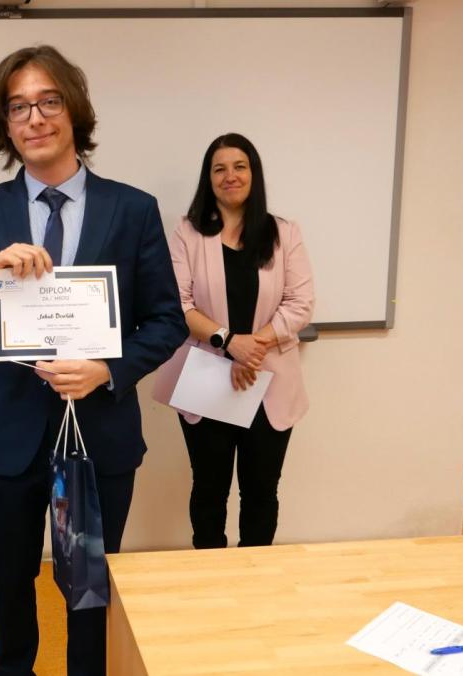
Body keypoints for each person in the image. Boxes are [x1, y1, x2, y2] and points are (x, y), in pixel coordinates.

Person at [0, 45, 186, 676]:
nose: (35, 118)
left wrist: (108, 370)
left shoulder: (131, 209)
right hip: (3, 440)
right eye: (18, 107)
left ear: (74, 110)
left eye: (48, 101)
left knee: (88, 591)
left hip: (97, 439)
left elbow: (167, 321)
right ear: (5, 125)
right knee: (7, 591)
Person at [152, 132, 315, 549]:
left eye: (239, 166)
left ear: (253, 173)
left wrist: (252, 346)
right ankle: (210, 573)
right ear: (208, 179)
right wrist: (229, 342)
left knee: (261, 491)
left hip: (269, 379)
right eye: (219, 169)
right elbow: (178, 303)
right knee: (209, 489)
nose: (230, 176)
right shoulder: (187, 233)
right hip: (208, 376)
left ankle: (254, 576)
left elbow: (300, 303)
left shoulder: (284, 233)